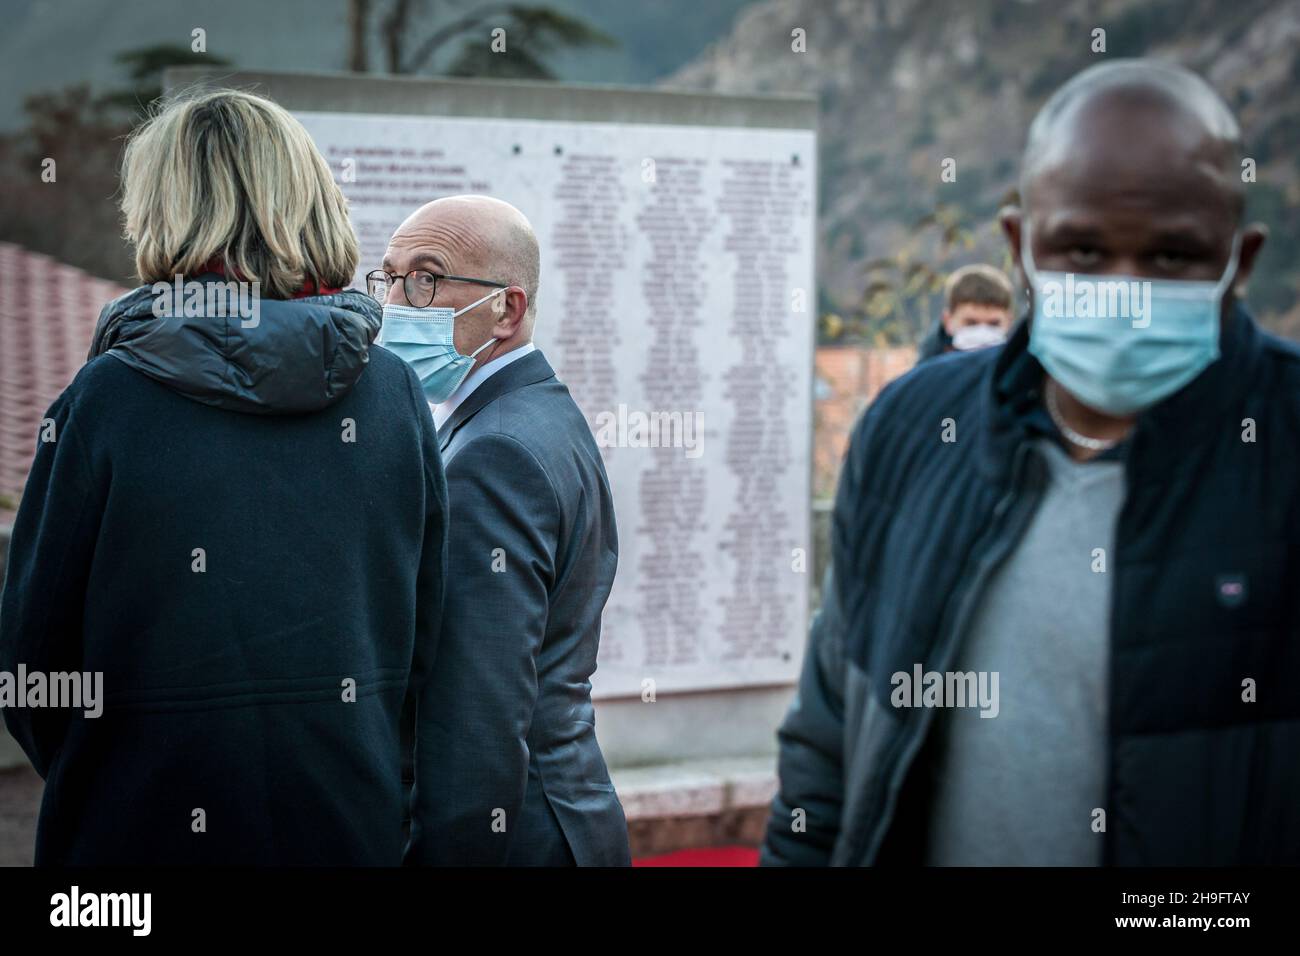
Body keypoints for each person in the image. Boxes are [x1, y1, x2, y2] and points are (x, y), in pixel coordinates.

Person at [762, 59, 1300, 866]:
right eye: (1082, 251)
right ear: (1020, 246)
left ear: (1240, 260)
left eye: (1170, 259)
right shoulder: (914, 432)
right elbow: (829, 740)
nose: (1121, 291)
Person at [0, 89, 448, 865]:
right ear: (309, 198)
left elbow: (33, 665)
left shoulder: (109, 400)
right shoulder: (393, 395)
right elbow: (426, 641)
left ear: (168, 211)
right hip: (346, 829)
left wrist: (115, 776)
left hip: (134, 845)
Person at [375, 195, 630, 866]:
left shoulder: (496, 453)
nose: (397, 302)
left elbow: (477, 715)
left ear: (507, 309)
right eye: (389, 276)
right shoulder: (533, 411)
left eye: (426, 278)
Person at [916, 264, 1015, 360]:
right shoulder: (927, 371)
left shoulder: (1020, 366)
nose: (982, 333)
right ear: (948, 321)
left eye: (994, 324)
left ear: (1009, 322)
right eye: (971, 323)